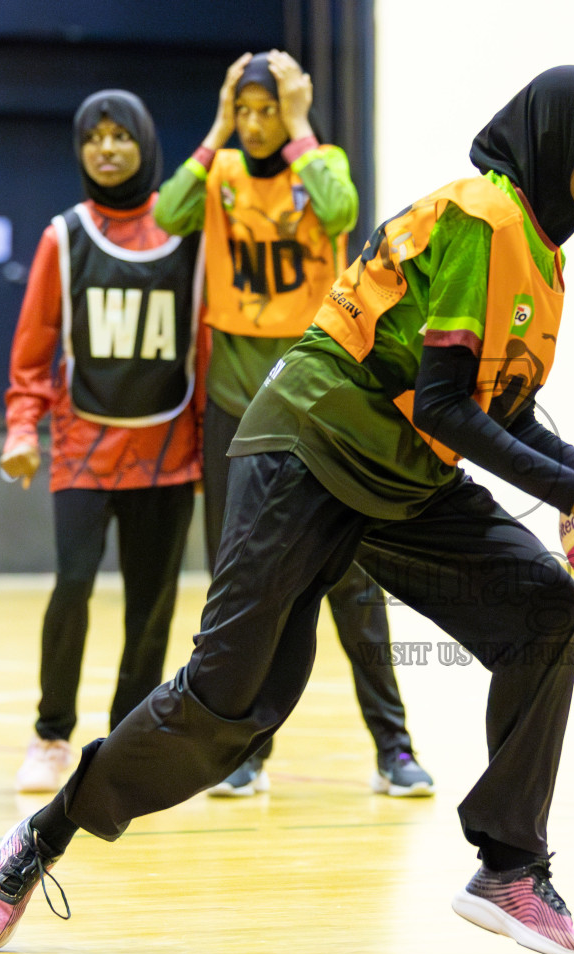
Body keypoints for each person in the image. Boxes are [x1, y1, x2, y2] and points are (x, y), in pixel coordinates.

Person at [0, 65, 574, 954]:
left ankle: (511, 869)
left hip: (398, 473)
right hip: (307, 448)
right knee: (230, 704)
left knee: (542, 605)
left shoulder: (539, 252)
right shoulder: (478, 219)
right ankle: (39, 842)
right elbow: (450, 406)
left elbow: (503, 409)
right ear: (567, 144)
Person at [154, 50, 432, 798]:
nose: (253, 123)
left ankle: (394, 749)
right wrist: (214, 129)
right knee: (241, 584)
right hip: (233, 402)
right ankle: (242, 754)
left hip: (316, 404)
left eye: (265, 109)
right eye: (242, 110)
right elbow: (165, 214)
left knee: (352, 577)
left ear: (290, 109)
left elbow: (342, 210)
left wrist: (304, 127)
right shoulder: (218, 173)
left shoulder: (320, 163)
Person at [1, 91, 203, 793]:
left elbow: (204, 348)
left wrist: (212, 449)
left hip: (168, 450)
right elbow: (32, 350)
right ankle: (51, 733)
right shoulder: (65, 235)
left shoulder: (187, 234)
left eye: (121, 136)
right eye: (94, 137)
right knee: (73, 587)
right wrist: (22, 427)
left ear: (145, 144)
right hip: (83, 446)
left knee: (153, 606)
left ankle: (125, 740)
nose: (107, 149)